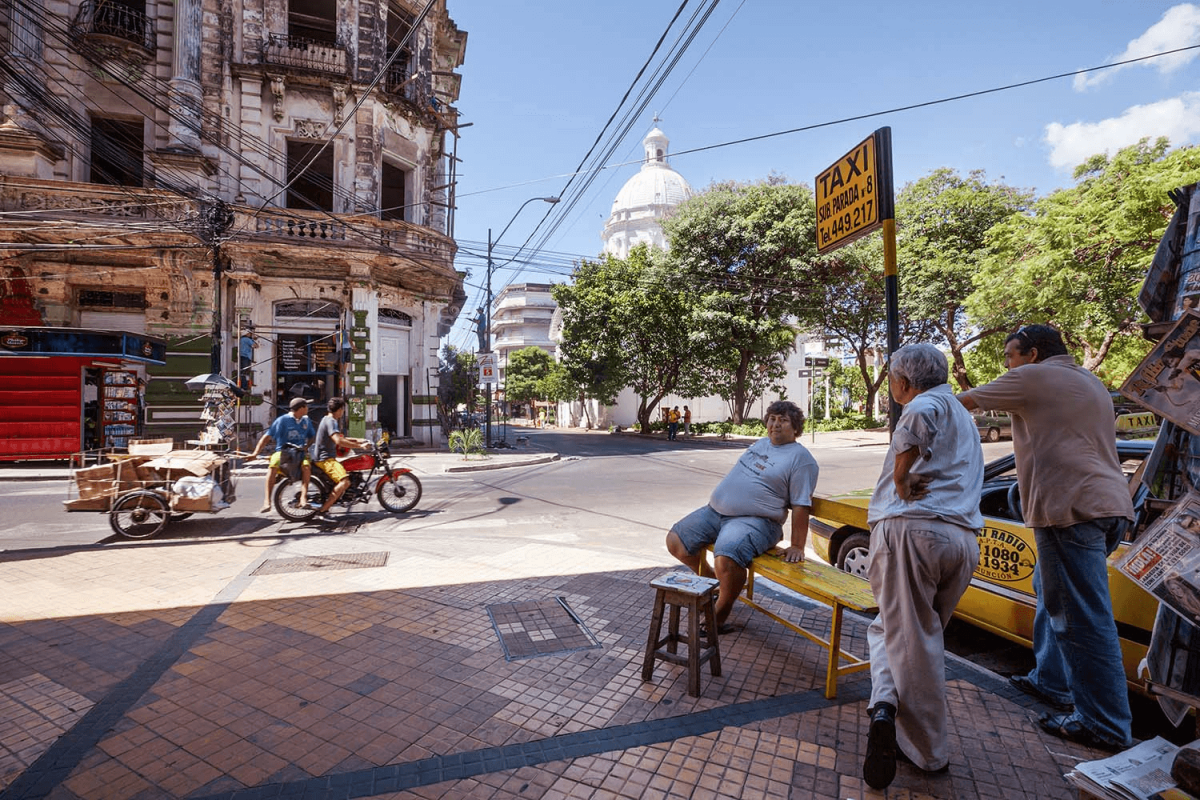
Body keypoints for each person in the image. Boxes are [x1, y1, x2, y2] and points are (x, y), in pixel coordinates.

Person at [958, 324, 1134, 751]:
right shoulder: (1088, 380)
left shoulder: (1032, 377)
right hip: (1109, 507)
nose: (1007, 366)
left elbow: (952, 403)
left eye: (1010, 357)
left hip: (1068, 512)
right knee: (1051, 593)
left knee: (1082, 619)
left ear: (1032, 354)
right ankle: (1050, 680)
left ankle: (1104, 724)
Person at [861, 344, 983, 790]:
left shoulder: (926, 403)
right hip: (959, 539)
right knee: (901, 634)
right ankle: (884, 705)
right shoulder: (962, 415)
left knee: (912, 641)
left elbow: (915, 422)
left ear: (903, 382)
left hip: (914, 533)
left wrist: (899, 476)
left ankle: (928, 751)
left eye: (891, 379)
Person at [665, 400, 819, 632]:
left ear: (796, 428)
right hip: (715, 513)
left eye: (783, 420)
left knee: (725, 558)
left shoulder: (801, 459)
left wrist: (798, 545)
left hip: (756, 521)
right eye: (772, 419)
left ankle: (720, 614)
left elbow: (800, 504)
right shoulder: (761, 443)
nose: (775, 425)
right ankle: (714, 582)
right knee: (676, 541)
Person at [248, 397, 315, 513]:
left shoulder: (306, 421)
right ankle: (267, 501)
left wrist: (306, 447)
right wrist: (255, 453)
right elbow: (266, 437)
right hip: (282, 451)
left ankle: (303, 498)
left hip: (300, 452)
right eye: (306, 406)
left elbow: (312, 436)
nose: (308, 409)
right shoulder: (282, 420)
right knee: (272, 466)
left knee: (306, 467)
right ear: (302, 408)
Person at [310, 396, 370, 524]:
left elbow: (340, 437)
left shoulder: (326, 419)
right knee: (345, 482)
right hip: (325, 459)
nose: (343, 412)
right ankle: (323, 511)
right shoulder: (331, 421)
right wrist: (360, 446)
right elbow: (338, 441)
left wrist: (359, 440)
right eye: (343, 409)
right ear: (340, 409)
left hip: (324, 457)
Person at [238, 321, 257, 390]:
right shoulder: (247, 339)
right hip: (246, 357)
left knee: (242, 372)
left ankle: (243, 385)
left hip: (241, 356)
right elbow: (255, 346)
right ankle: (245, 386)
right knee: (246, 372)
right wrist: (254, 340)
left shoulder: (241, 339)